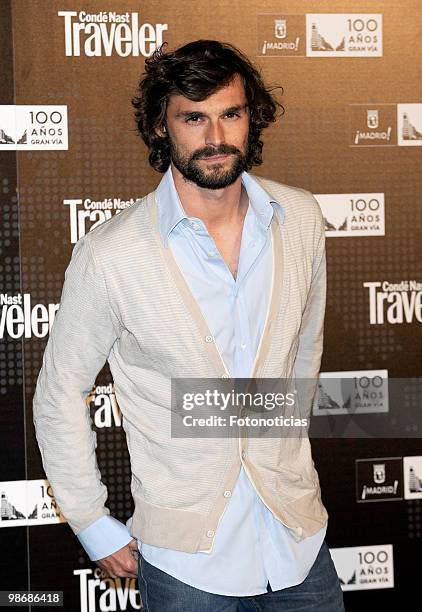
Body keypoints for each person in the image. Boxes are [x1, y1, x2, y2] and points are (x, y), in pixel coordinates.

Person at [33, 40, 345, 611]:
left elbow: (304, 354)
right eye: (193, 118)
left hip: (297, 539)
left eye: (231, 113)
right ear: (161, 126)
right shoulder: (112, 254)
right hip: (185, 562)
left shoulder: (301, 219)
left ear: (253, 118)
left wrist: (281, 459)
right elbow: (59, 390)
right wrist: (91, 520)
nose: (216, 136)